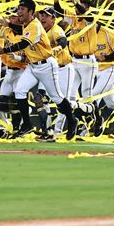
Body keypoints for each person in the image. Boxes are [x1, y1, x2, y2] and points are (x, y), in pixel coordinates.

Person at [0, 0, 79, 141]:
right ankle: (27, 125)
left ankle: (72, 120)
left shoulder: (35, 25)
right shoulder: (28, 25)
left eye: (22, 9)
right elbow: (22, 31)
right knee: (20, 91)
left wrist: (3, 50)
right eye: (18, 9)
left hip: (46, 65)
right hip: (33, 66)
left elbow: (23, 43)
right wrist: (8, 24)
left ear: (31, 12)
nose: (19, 12)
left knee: (57, 97)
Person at [38, 7, 75, 136]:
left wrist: (57, 48)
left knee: (63, 102)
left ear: (53, 18)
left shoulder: (56, 29)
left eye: (46, 15)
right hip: (49, 70)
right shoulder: (39, 31)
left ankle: (59, 131)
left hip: (64, 68)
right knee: (41, 98)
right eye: (41, 15)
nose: (42, 17)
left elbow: (63, 41)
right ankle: (48, 130)